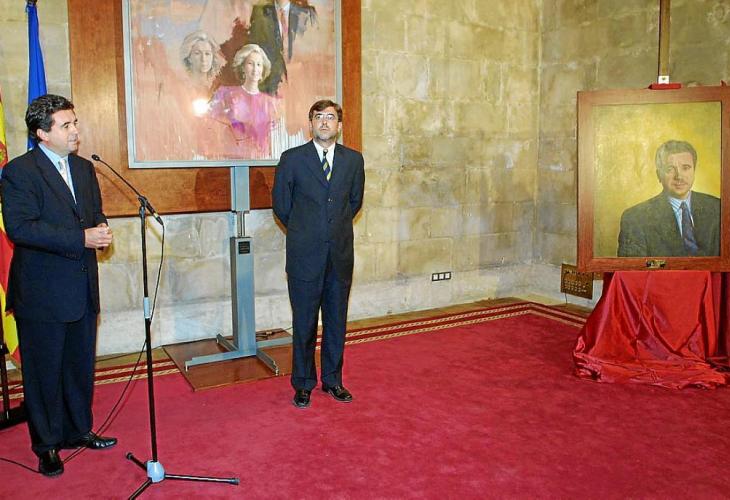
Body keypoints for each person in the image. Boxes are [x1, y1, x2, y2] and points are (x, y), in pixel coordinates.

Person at [1, 95, 116, 477]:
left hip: (81, 288)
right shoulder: (19, 172)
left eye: (75, 123)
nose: (75, 131)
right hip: (42, 292)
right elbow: (21, 228)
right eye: (66, 125)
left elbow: (94, 213)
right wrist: (81, 238)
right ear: (42, 133)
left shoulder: (84, 168)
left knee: (79, 367)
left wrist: (101, 229)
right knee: (44, 373)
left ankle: (77, 430)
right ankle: (47, 445)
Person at [272, 100, 365, 409]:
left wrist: (330, 230)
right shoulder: (292, 160)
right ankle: (303, 384)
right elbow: (282, 206)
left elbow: (354, 202)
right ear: (310, 123)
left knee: (336, 322)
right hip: (304, 256)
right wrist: (306, 231)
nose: (325, 122)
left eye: (331, 117)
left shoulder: (353, 161)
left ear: (339, 125)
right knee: (305, 323)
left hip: (339, 255)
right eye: (319, 117)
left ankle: (333, 380)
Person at [617, 140, 720, 257]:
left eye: (686, 168)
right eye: (670, 169)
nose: (679, 176)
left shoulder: (718, 208)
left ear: (694, 171)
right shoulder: (636, 218)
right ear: (659, 175)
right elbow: (635, 266)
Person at [208, 43, 279, 159]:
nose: (255, 69)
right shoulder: (226, 94)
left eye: (259, 64)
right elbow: (212, 125)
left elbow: (273, 137)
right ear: (242, 67)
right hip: (230, 160)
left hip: (261, 162)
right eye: (250, 63)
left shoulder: (270, 103)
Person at [247, 0, 318, 95]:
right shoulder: (259, 12)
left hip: (301, 84)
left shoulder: (307, 14)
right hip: (269, 86)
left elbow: (314, 53)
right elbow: (254, 49)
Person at [179, 30, 225, 95]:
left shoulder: (219, 88)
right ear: (189, 58)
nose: (203, 59)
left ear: (213, 57)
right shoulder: (181, 87)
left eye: (207, 54)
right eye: (197, 53)